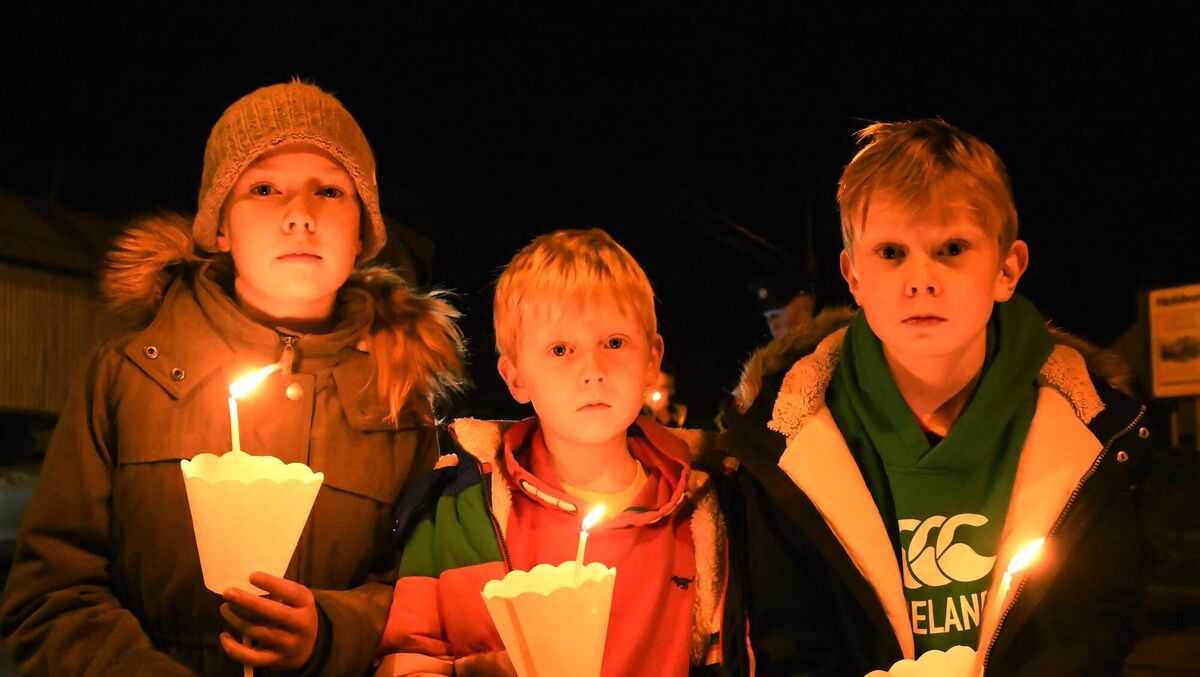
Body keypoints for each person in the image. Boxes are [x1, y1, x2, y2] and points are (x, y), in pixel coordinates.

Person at [0, 80, 465, 676]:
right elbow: (49, 595)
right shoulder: (127, 377)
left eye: (329, 190)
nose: (300, 216)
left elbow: (420, 597)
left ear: (362, 234)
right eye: (265, 188)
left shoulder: (400, 403)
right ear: (219, 226)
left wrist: (329, 634)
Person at [719, 119, 1148, 675]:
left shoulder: (1091, 427)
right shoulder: (784, 437)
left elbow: (1093, 620)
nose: (920, 279)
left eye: (951, 248)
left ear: (1007, 268)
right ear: (854, 277)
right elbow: (792, 635)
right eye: (891, 252)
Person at [376, 229, 727, 676]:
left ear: (652, 360)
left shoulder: (698, 515)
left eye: (614, 343)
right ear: (516, 376)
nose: (593, 371)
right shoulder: (461, 510)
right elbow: (412, 658)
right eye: (561, 349)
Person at [750, 270, 816, 339]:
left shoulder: (826, 348)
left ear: (802, 308)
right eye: (767, 318)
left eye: (775, 316)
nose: (772, 326)